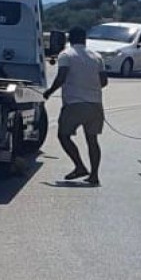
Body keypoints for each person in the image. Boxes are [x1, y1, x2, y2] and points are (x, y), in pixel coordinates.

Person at [43, 26, 108, 185]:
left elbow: (61, 77)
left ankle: (79, 166)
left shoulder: (66, 55)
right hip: (95, 104)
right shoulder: (97, 56)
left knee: (63, 136)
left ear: (69, 39)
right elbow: (104, 82)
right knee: (92, 140)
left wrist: (49, 92)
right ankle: (94, 175)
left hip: (74, 104)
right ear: (84, 39)